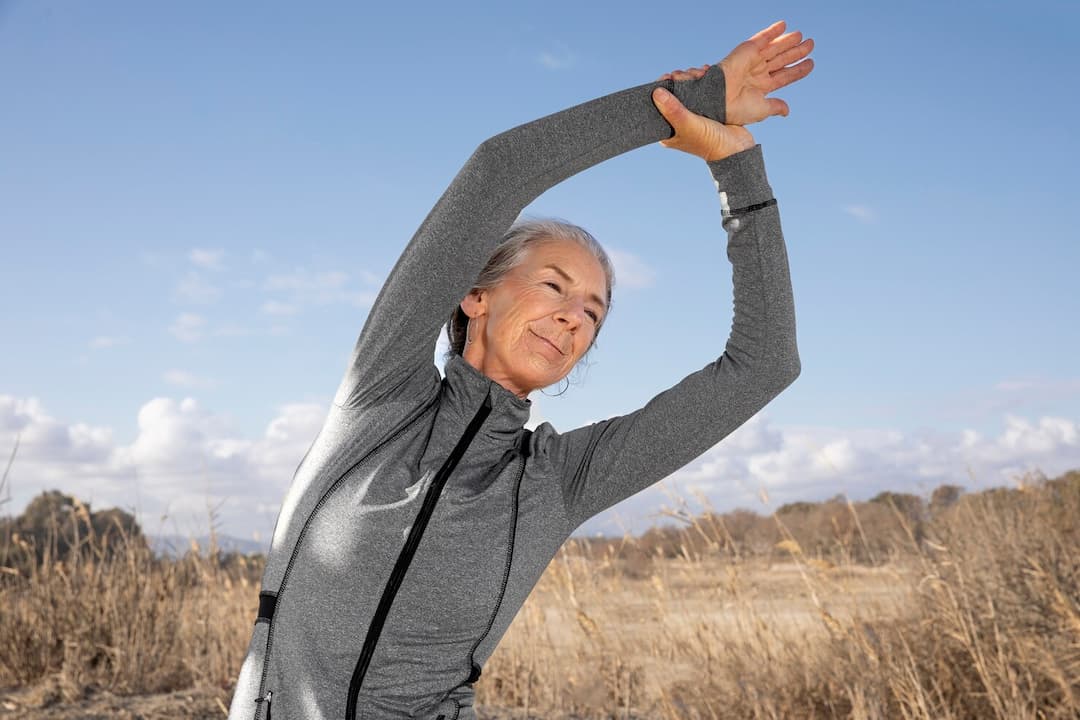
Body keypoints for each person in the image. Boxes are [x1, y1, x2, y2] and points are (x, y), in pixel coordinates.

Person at [227, 20, 813, 720]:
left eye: (594, 311)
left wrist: (739, 171)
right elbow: (499, 171)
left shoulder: (558, 482)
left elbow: (764, 364)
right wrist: (698, 100)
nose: (574, 317)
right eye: (555, 287)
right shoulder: (380, 398)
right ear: (475, 296)